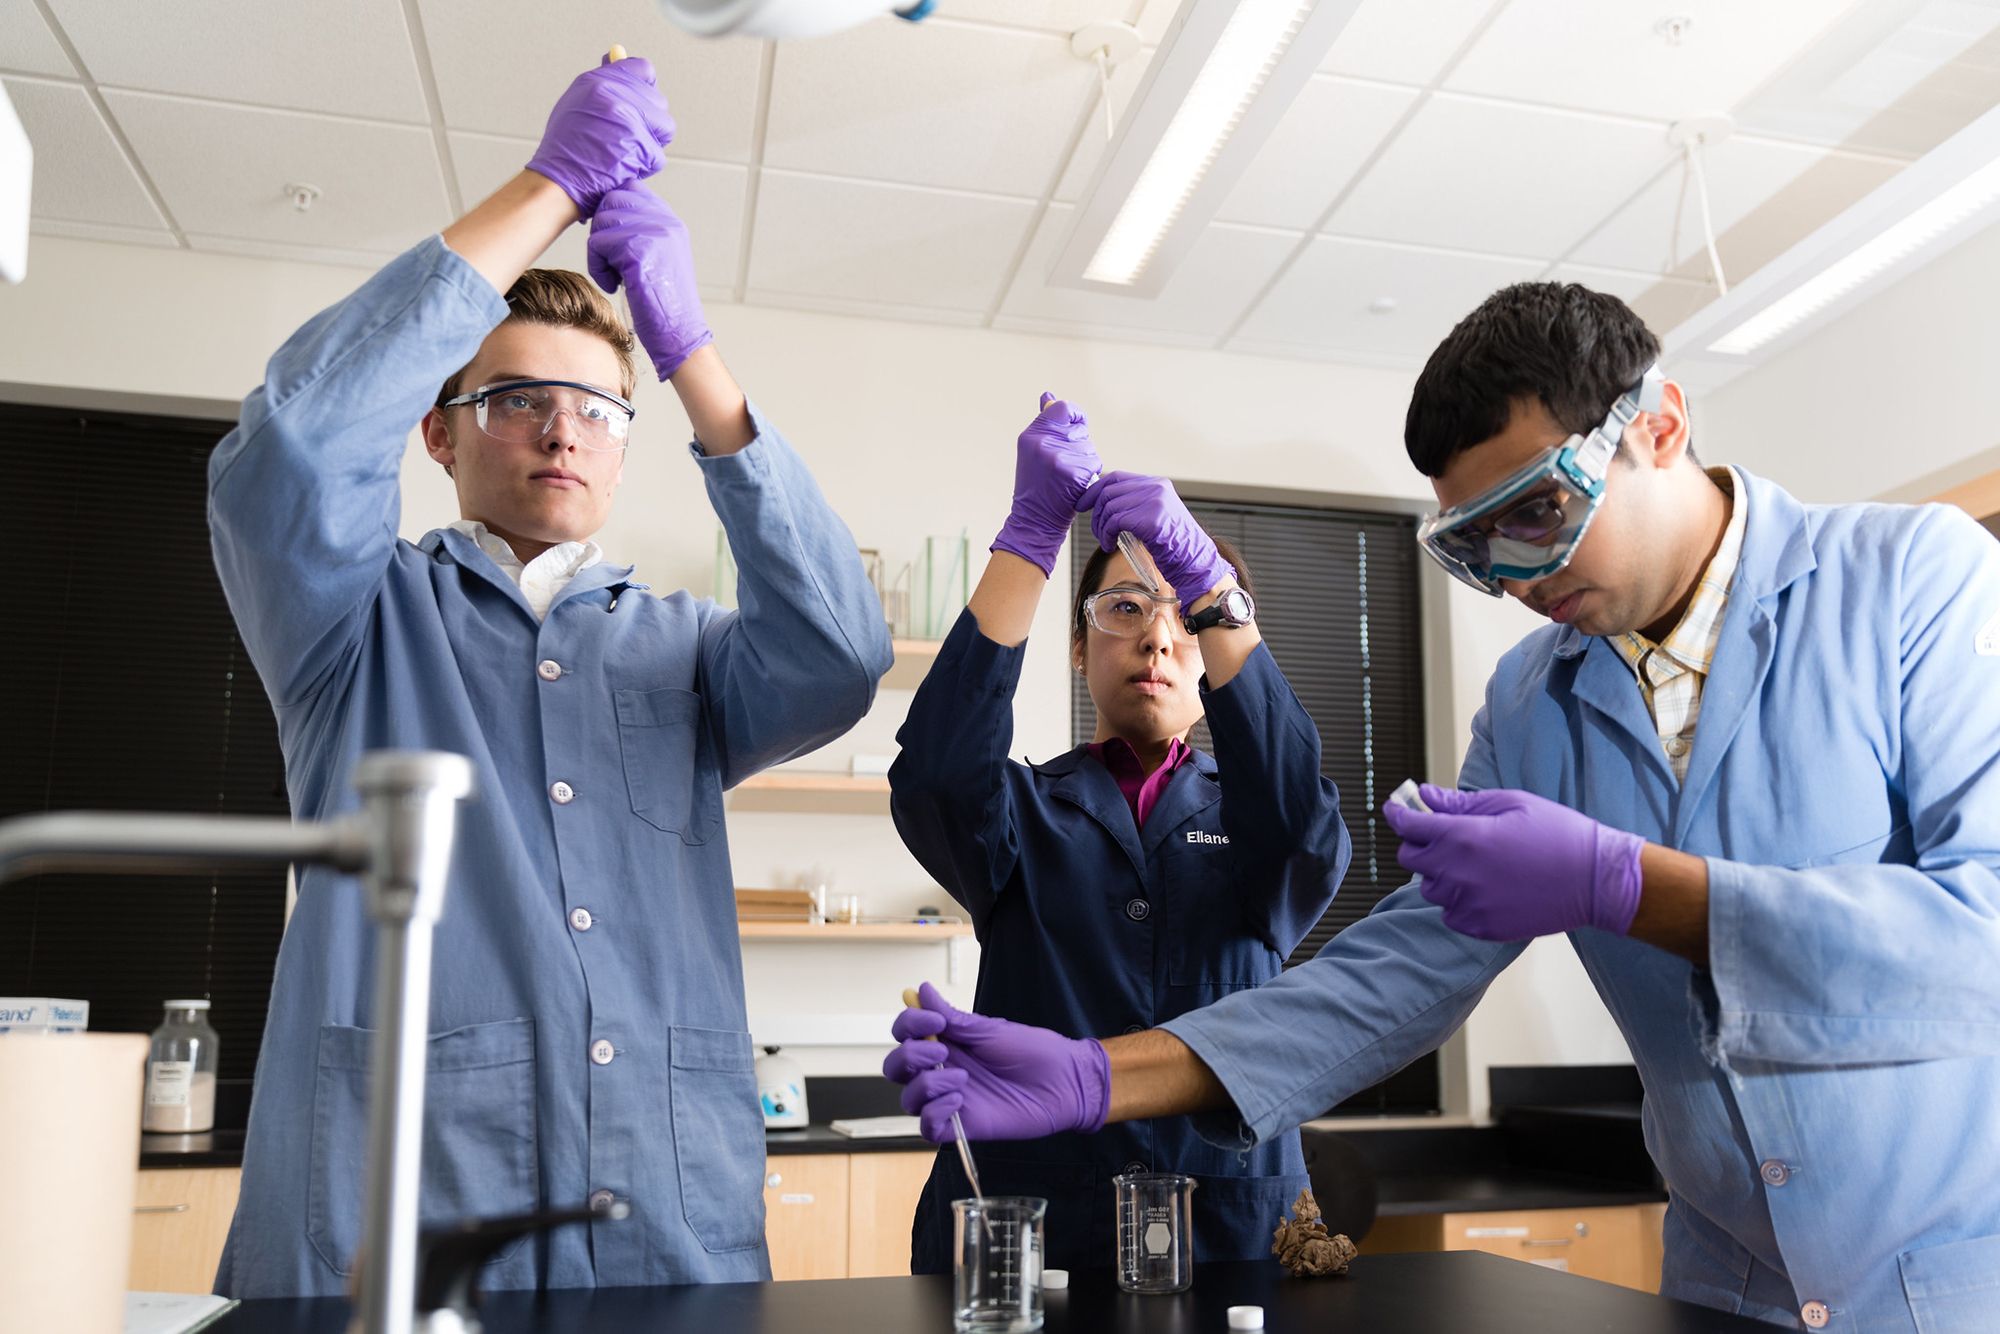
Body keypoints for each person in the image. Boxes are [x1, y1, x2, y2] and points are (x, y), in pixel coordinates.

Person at [887, 284, 2000, 1330]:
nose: (1516, 575)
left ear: (1658, 424)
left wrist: (1630, 886)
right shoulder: (1530, 703)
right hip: (1721, 1284)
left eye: (1536, 511)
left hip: (1954, 1277)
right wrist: (1096, 1077)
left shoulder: (1913, 580)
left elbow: (1981, 924)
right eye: (1476, 544)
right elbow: (1391, 977)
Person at [208, 56, 892, 1297]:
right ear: (440, 430)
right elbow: (295, 452)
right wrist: (550, 183)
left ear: (628, 449)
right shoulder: (351, 623)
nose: (564, 428)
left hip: (666, 1227)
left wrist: (693, 355)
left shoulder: (684, 647)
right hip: (400, 1233)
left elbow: (843, 652)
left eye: (596, 406)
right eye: (520, 397)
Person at [887, 396, 1350, 1272]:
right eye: (1125, 608)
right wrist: (1030, 536)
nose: (1157, 638)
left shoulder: (1256, 817)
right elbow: (937, 778)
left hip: (1230, 1229)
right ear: (1078, 645)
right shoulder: (1022, 812)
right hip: (1035, 1229)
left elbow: (1303, 833)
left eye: (1184, 613)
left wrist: (1215, 586)